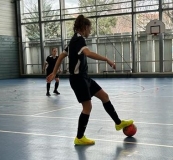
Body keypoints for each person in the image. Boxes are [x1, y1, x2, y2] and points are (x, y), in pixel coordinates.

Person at [46, 15, 134, 145]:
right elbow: (88, 53)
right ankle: (79, 137)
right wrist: (107, 59)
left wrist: (54, 72)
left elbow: (61, 57)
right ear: (84, 27)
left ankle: (118, 123)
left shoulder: (73, 40)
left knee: (104, 96)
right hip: (78, 79)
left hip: (84, 77)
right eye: (90, 29)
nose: (90, 31)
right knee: (87, 107)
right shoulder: (79, 40)